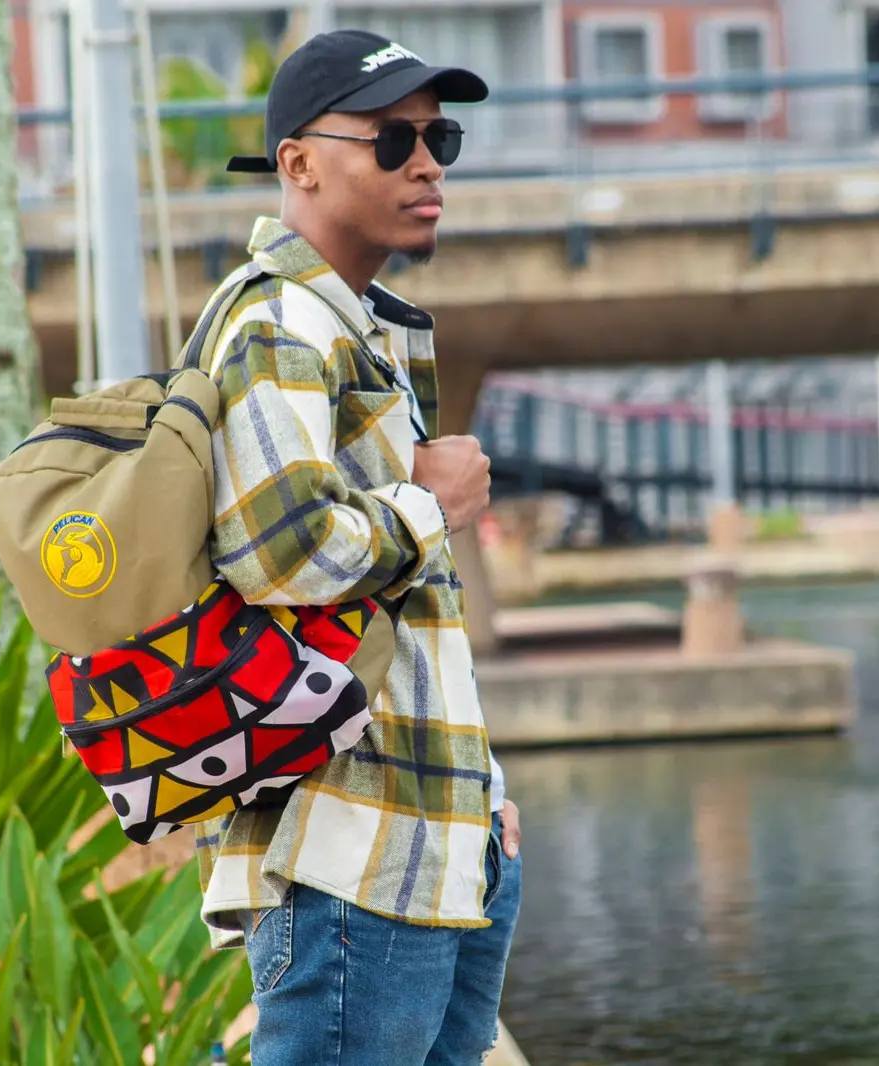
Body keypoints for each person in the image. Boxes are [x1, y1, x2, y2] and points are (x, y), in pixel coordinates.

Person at [193, 29, 522, 1065]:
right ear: (298, 162)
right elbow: (280, 551)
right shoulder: (281, 323)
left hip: (432, 837)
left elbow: (404, 611)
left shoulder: (356, 327)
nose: (426, 163)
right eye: (391, 140)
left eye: (439, 138)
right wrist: (434, 501)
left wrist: (485, 792)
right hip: (349, 857)